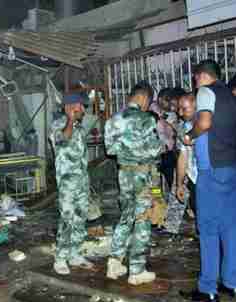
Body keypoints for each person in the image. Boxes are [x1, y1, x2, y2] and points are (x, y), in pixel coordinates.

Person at [181, 60, 236, 302]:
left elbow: (204, 123)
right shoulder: (229, 94)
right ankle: (231, 282)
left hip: (211, 169)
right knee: (230, 228)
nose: (194, 84)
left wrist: (188, 136)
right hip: (230, 167)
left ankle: (207, 288)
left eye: (195, 79)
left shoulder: (206, 91)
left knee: (208, 230)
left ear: (202, 76)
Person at [105, 82, 163, 285]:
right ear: (145, 99)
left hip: (123, 174)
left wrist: (127, 149)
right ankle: (136, 270)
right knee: (142, 219)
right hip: (141, 175)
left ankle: (114, 263)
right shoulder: (146, 119)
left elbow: (110, 149)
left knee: (126, 216)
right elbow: (155, 150)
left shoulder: (113, 119)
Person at [49, 92, 93, 275]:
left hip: (82, 181)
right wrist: (69, 119)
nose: (83, 109)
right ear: (71, 107)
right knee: (67, 220)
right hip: (67, 183)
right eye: (81, 106)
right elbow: (63, 139)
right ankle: (60, 258)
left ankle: (75, 254)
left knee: (80, 219)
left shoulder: (80, 128)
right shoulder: (58, 125)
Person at [163, 93, 197, 237]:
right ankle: (171, 226)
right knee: (177, 191)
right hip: (184, 162)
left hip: (199, 170)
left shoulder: (201, 123)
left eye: (182, 108)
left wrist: (174, 124)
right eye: (177, 108)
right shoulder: (185, 122)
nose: (179, 111)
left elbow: (187, 138)